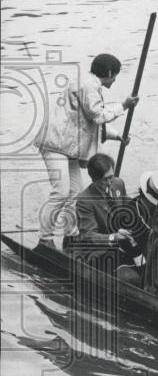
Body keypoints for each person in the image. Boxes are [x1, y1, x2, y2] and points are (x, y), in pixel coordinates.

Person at [33, 53, 139, 249]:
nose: (115, 80)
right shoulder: (88, 85)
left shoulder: (90, 85)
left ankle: (71, 236)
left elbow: (89, 123)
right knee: (61, 192)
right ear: (108, 72)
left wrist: (117, 136)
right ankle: (45, 239)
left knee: (75, 193)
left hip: (68, 147)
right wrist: (124, 105)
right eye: (115, 75)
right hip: (56, 145)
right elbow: (98, 116)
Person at [67, 153, 138, 267]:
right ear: (94, 179)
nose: (110, 183)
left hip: (119, 242)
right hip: (96, 250)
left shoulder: (118, 183)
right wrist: (113, 237)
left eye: (111, 177)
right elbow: (88, 235)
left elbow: (129, 207)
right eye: (105, 179)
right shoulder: (84, 200)